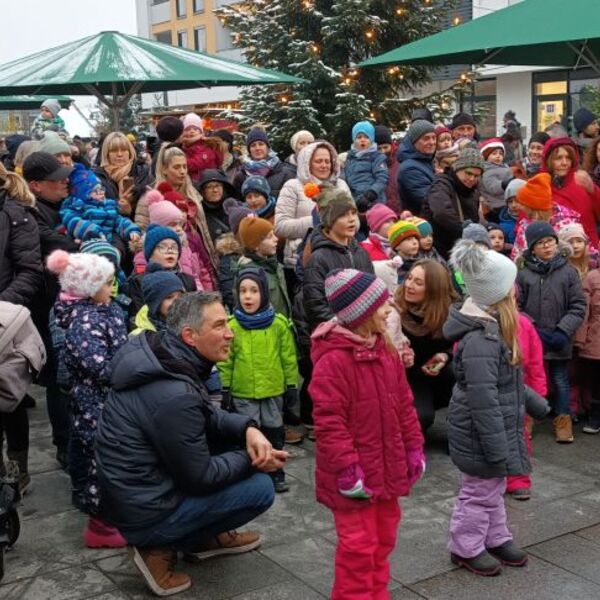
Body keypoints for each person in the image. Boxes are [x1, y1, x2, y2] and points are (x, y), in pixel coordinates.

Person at [95, 292, 284, 596]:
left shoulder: (167, 358)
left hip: (137, 494)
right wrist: (251, 459)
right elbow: (200, 477)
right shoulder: (174, 392)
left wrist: (248, 429)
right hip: (145, 511)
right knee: (260, 487)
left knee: (226, 443)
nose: (230, 333)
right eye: (220, 326)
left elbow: (205, 414)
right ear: (190, 336)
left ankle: (201, 538)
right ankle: (155, 549)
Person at [309, 268, 425, 599]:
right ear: (361, 313)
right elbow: (329, 422)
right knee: (358, 549)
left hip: (386, 470)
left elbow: (404, 404)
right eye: (382, 304)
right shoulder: (334, 363)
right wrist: (347, 468)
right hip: (354, 478)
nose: (389, 309)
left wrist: (413, 447)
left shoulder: (385, 350)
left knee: (383, 541)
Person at [444, 239, 548, 576]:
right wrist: (495, 444)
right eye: (511, 288)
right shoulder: (481, 341)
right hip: (481, 433)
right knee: (478, 492)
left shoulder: (496, 331)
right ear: (500, 295)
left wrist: (535, 403)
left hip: (495, 427)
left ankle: (495, 536)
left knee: (493, 487)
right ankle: (466, 546)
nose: (515, 293)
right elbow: (483, 398)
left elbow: (509, 382)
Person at [48, 249, 128, 548]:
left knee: (113, 456)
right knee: (102, 459)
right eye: (107, 283)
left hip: (110, 397)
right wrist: (127, 368)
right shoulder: (84, 321)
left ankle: (113, 515)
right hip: (95, 401)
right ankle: (100, 526)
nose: (112, 288)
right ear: (89, 289)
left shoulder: (105, 310)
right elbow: (96, 365)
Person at [219, 267, 299, 493]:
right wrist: (225, 387)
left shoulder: (278, 324)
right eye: (243, 291)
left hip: (273, 389)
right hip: (244, 391)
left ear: (264, 293)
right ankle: (252, 471)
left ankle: (275, 471)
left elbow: (288, 358)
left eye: (254, 290)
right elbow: (226, 360)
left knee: (274, 430)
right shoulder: (232, 325)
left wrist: (291, 385)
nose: (248, 296)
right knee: (250, 432)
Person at [24, 151, 77, 469]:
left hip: (61, 303)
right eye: (57, 178)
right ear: (36, 185)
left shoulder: (59, 208)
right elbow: (58, 249)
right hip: (47, 306)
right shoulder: (32, 215)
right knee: (60, 377)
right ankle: (64, 443)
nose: (65, 181)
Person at [516, 221, 586, 443]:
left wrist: (563, 330)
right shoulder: (524, 274)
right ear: (532, 248)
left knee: (559, 378)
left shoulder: (568, 272)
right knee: (529, 378)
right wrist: (531, 327)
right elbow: (517, 306)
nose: (547, 247)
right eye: (541, 243)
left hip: (559, 337)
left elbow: (578, 306)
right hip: (532, 335)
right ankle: (528, 417)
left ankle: (563, 419)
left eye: (550, 242)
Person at [0, 163, 43, 494]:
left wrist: (4, 307)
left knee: (7, 399)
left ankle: (17, 467)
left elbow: (29, 270)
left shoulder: (16, 214)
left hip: (4, 318)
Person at [388, 260, 456, 432]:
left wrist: (444, 356)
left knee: (458, 373)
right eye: (409, 278)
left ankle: (456, 424)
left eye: (418, 283)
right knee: (421, 418)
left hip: (427, 373)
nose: (409, 285)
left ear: (434, 289)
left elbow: (450, 345)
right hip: (401, 375)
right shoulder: (393, 309)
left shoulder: (447, 313)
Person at [138, 145, 218, 289]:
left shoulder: (193, 195)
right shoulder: (151, 198)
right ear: (164, 169)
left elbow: (203, 234)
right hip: (166, 262)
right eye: (176, 167)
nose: (182, 171)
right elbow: (142, 235)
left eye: (184, 167)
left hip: (195, 259)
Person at [275, 141, 350, 289]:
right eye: (318, 161)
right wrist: (318, 222)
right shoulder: (293, 186)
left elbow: (354, 223)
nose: (324, 165)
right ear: (307, 164)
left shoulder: (341, 185)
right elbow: (280, 226)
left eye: (327, 161)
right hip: (300, 261)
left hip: (338, 258)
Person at [136, 186, 205, 288]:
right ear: (159, 226)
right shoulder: (143, 254)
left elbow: (195, 276)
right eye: (172, 225)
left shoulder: (185, 248)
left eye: (179, 224)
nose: (178, 229)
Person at [421, 147, 485, 259]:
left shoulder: (473, 190)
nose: (471, 179)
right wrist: (465, 230)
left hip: (461, 249)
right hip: (440, 249)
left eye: (476, 176)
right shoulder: (441, 184)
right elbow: (441, 213)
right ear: (457, 169)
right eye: (468, 173)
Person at [60, 163, 141, 249]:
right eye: (95, 191)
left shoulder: (108, 205)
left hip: (107, 241)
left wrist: (131, 230)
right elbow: (74, 222)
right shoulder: (75, 206)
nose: (101, 193)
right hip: (89, 242)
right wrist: (97, 233)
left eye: (101, 189)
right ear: (83, 195)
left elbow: (119, 221)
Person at [126, 225, 197, 317]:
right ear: (150, 253)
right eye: (162, 247)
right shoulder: (138, 281)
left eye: (174, 247)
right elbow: (138, 318)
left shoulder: (188, 280)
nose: (170, 251)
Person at [542, 136, 600, 248]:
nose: (564, 163)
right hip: (553, 254)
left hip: (587, 254)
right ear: (548, 160)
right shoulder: (539, 186)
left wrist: (593, 190)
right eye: (558, 158)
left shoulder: (582, 183)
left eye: (568, 158)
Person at [511, 172, 582, 259]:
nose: (519, 207)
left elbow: (577, 251)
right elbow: (517, 254)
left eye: (522, 203)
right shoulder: (525, 225)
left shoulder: (566, 223)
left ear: (533, 205)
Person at [94, 132, 153, 218]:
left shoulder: (143, 173)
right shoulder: (97, 178)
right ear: (106, 154)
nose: (119, 154)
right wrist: (119, 209)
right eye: (113, 151)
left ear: (130, 152)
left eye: (124, 150)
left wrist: (131, 209)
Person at [233, 128, 295, 199]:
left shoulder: (285, 172)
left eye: (261, 144)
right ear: (249, 150)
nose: (257, 148)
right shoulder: (241, 176)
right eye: (253, 145)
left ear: (268, 147)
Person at [574, 261, 600, 433]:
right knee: (597, 381)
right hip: (596, 339)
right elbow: (584, 312)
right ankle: (596, 416)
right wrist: (580, 340)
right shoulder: (592, 277)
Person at [343, 120, 389, 211]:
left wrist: (372, 193)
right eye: (359, 137)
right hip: (355, 200)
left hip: (374, 200)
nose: (362, 140)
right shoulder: (350, 157)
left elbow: (382, 178)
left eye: (366, 137)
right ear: (354, 140)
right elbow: (345, 175)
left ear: (371, 140)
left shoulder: (376, 157)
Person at [396, 120, 436, 215]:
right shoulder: (409, 169)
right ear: (414, 141)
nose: (432, 142)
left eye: (434, 138)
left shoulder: (425, 160)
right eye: (426, 138)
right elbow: (430, 200)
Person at [131, 270, 185, 336]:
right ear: (155, 304)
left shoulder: (194, 323)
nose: (177, 301)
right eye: (169, 297)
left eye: (181, 296)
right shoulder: (141, 337)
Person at [180, 113, 223, 184]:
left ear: (201, 132)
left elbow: (195, 164)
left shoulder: (205, 147)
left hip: (203, 184)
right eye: (187, 129)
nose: (191, 131)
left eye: (195, 129)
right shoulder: (184, 147)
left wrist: (180, 162)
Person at [196, 169, 236, 244]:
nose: (215, 190)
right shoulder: (199, 215)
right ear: (202, 191)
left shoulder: (234, 208)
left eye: (218, 185)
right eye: (209, 187)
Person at [479, 138, 512, 222]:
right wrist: (504, 184)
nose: (498, 156)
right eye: (494, 153)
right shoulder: (487, 170)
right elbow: (493, 187)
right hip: (496, 205)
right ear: (486, 156)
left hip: (507, 202)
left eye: (501, 154)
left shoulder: (505, 167)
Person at [374, 125, 400, 213]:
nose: (383, 152)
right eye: (379, 149)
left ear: (391, 146)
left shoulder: (400, 161)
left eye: (385, 147)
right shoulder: (371, 166)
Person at [388, 219, 421, 284]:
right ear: (397, 246)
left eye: (416, 238)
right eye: (409, 239)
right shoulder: (394, 268)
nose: (415, 242)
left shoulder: (422, 262)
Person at [499, 178, 526, 247]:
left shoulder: (537, 219)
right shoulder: (502, 227)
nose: (513, 205)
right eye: (510, 201)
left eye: (517, 201)